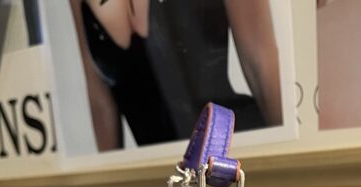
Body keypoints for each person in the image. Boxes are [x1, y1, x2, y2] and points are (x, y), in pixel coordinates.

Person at [70, 0, 282, 151]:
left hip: (235, 158)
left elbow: (261, 65)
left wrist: (287, 167)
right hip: (162, 183)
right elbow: (100, 99)